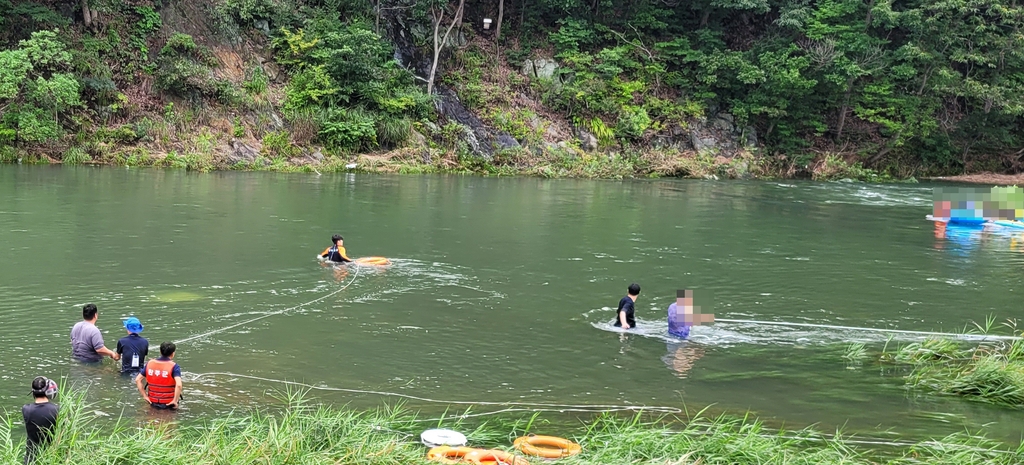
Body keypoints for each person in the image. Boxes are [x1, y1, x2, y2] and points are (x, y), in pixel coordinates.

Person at [135, 342, 182, 410]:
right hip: (169, 403)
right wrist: (175, 400)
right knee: (169, 420)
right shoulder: (174, 366)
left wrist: (145, 396)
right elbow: (179, 385)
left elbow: (137, 379)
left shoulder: (150, 363)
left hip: (152, 401)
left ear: (160, 351)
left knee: (152, 419)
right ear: (173, 353)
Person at [22, 377, 59, 464]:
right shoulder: (57, 410)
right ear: (48, 391)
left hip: (31, 458)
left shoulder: (26, 409)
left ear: (33, 392)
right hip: (51, 457)